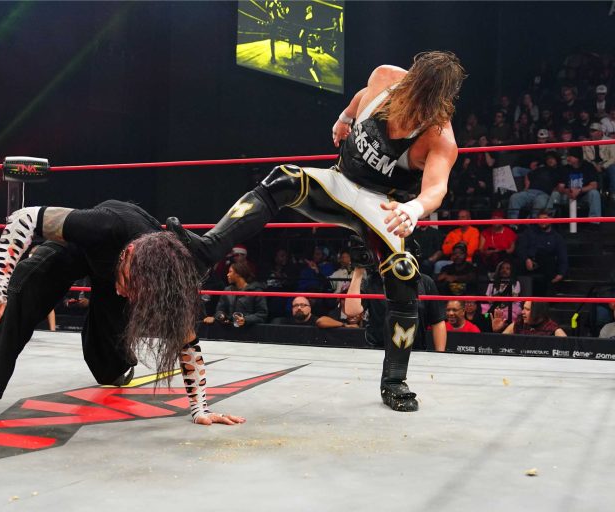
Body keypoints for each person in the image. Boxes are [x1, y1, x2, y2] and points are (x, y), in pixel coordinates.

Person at [169, 51, 465, 411]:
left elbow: (436, 188)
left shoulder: (439, 136)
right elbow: (362, 96)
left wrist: (414, 208)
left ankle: (394, 381)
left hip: (383, 206)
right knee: (283, 179)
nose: (412, 110)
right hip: (339, 183)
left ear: (438, 105)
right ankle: (207, 250)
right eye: (411, 96)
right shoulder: (386, 77)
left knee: (404, 274)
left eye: (423, 107)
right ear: (408, 81)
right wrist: (344, 118)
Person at [0, 201, 245, 427]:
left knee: (109, 370)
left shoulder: (166, 275)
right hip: (77, 249)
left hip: (119, 271)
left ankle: (115, 364)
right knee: (25, 282)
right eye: (131, 284)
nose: (127, 293)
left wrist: (200, 408)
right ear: (128, 258)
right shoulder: (104, 225)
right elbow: (23, 218)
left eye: (139, 291)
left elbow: (187, 341)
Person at [203, 261, 268, 328]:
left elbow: (262, 314)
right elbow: (220, 310)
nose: (227, 275)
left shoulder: (256, 291)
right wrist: (222, 316)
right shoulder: (227, 290)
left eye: (230, 272)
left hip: (250, 330)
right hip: (230, 329)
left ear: (238, 274)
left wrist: (245, 319)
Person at [491, 301, 566, 336]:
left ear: (537, 312)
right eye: (523, 308)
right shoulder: (519, 323)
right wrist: (497, 331)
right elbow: (500, 343)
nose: (522, 312)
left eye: (527, 309)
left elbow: (566, 347)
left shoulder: (552, 328)